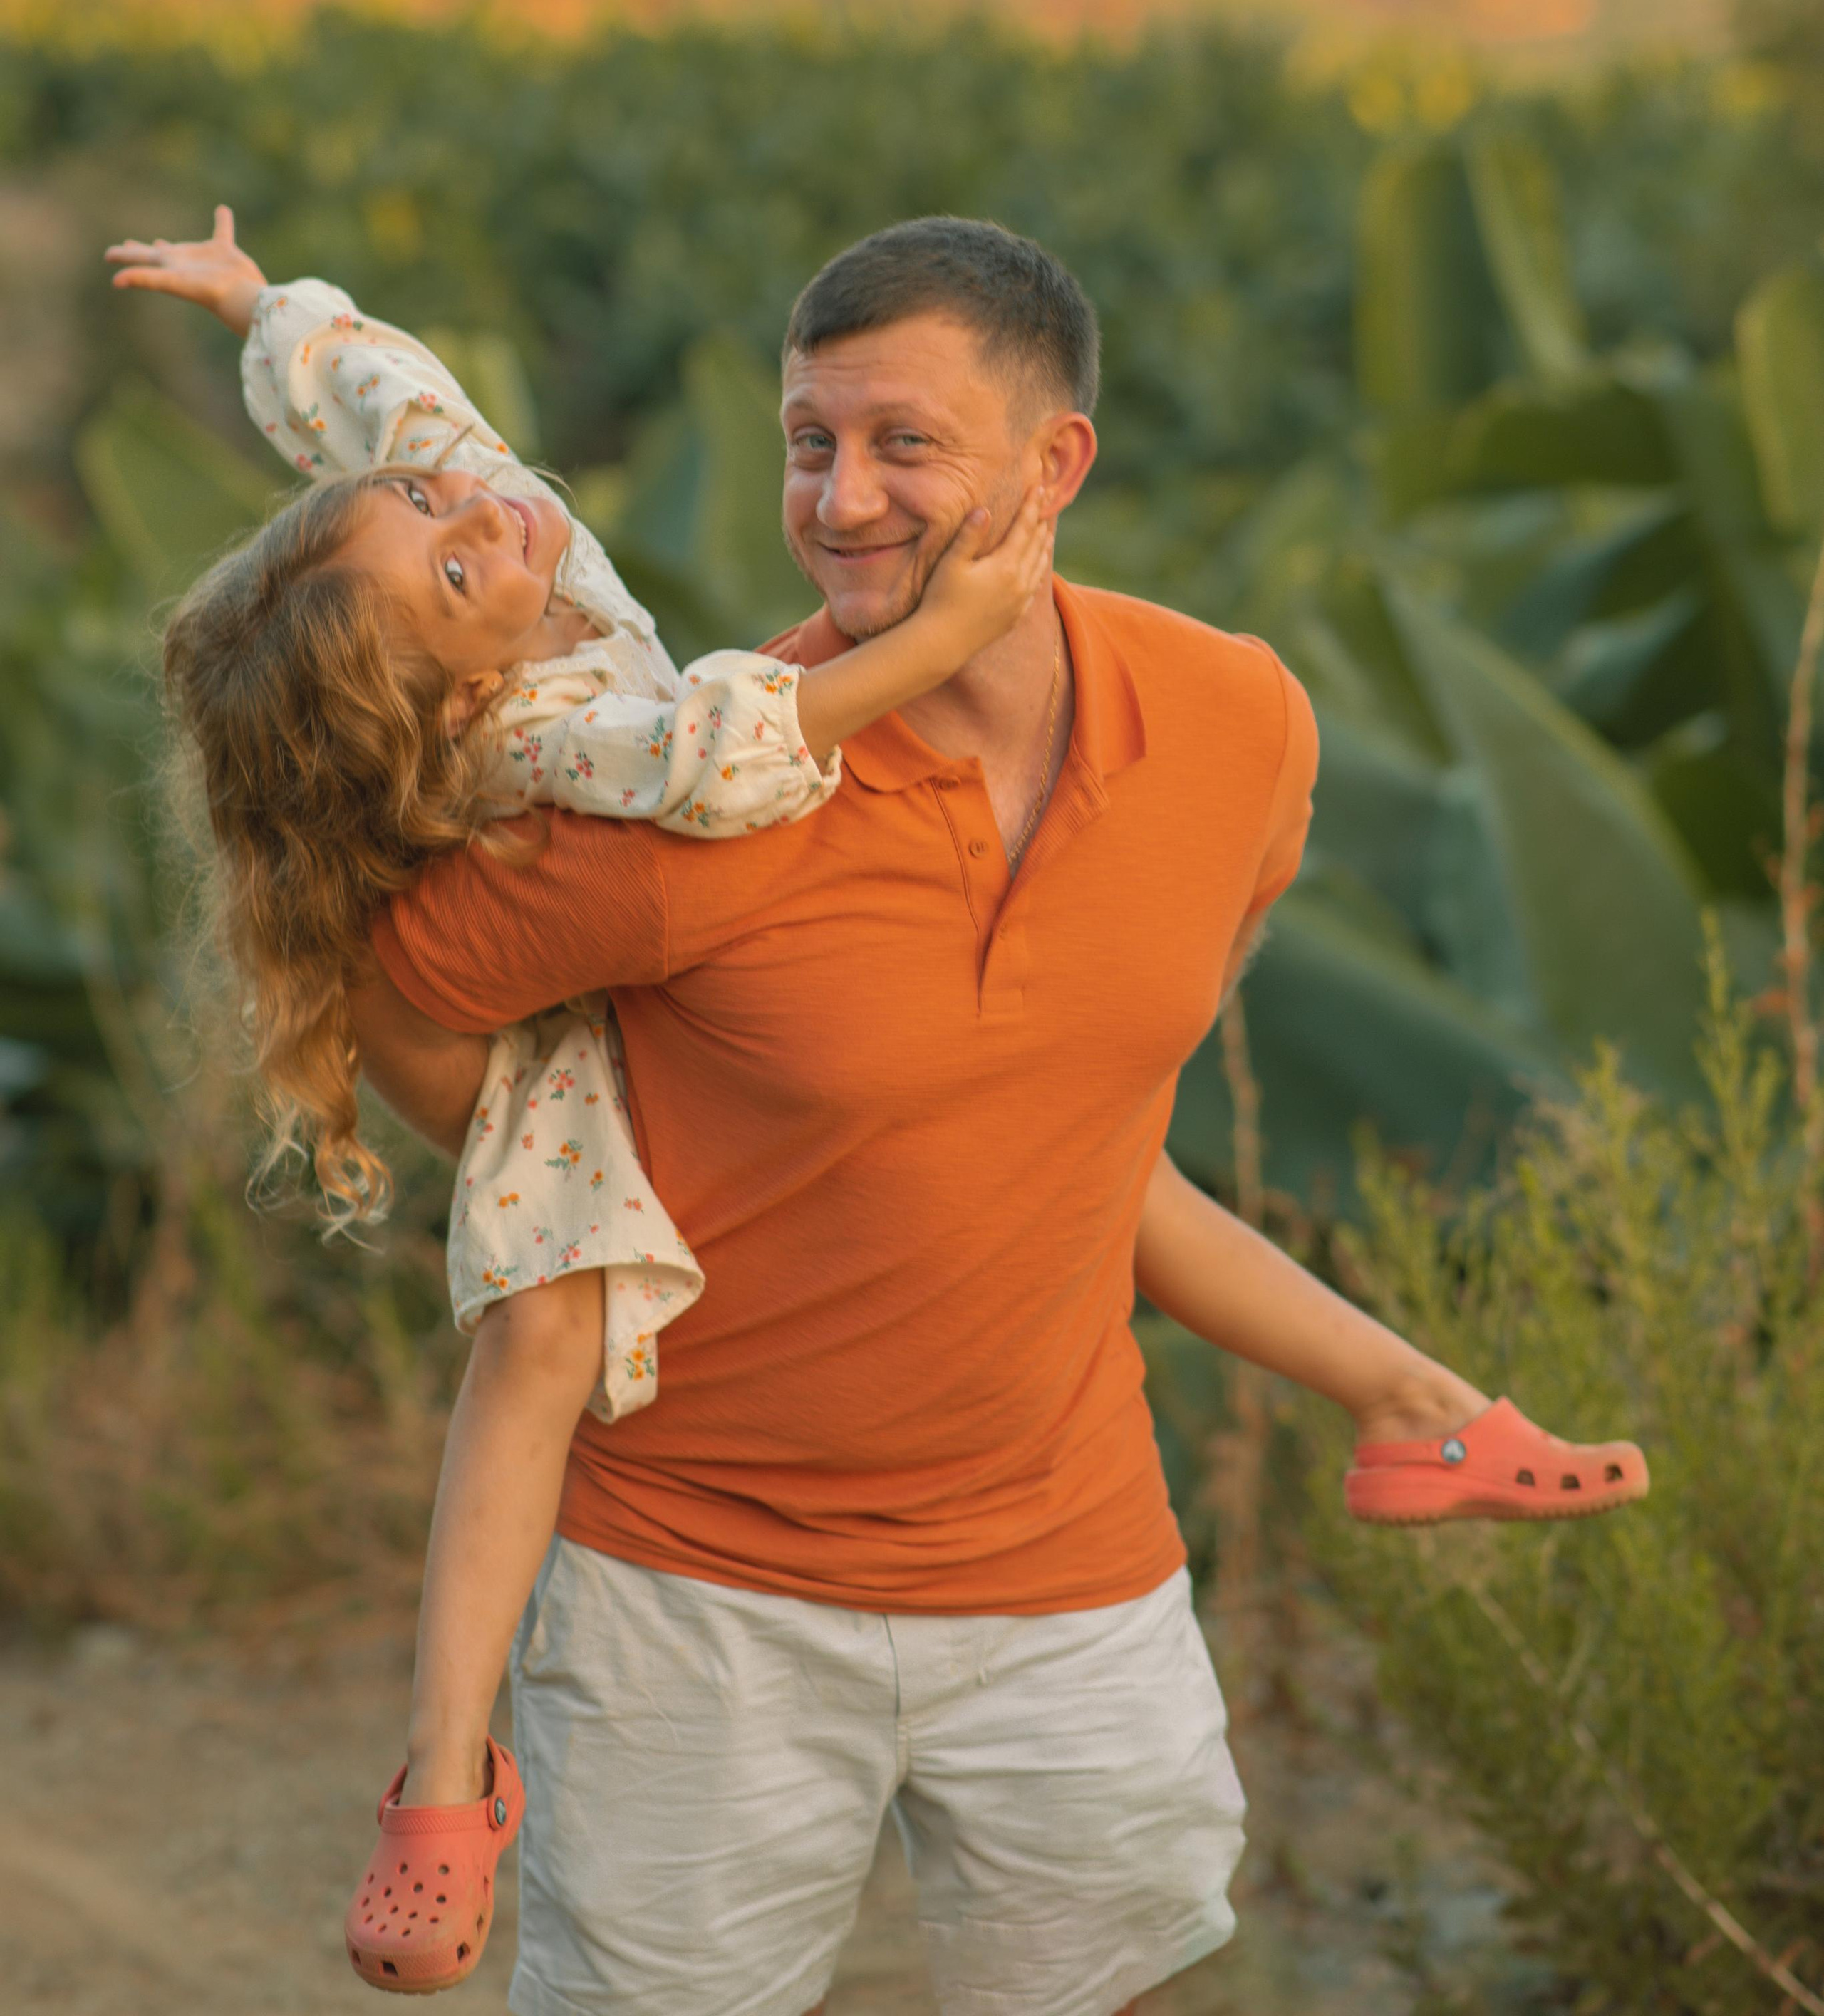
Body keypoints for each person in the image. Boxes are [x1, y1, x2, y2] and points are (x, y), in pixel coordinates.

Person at [351, 214, 1648, 2016]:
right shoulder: (693, 797)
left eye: (904, 443)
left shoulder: (1239, 725)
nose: (840, 497)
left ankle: (1415, 1403)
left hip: (1072, 1583)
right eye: (811, 441)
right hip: (697, 1600)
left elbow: (1102, 1118)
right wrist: (548, 1181)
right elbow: (392, 985)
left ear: (1055, 465)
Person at [108, 209, 1054, 1998]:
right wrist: (953, 633)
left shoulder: (487, 519)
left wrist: (265, 305)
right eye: (454, 568)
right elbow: (719, 756)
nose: (485, 522)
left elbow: (395, 407)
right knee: (538, 1339)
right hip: (564, 1047)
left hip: (677, 984)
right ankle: (446, 1775)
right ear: (458, 678)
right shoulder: (524, 732)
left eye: (448, 514)